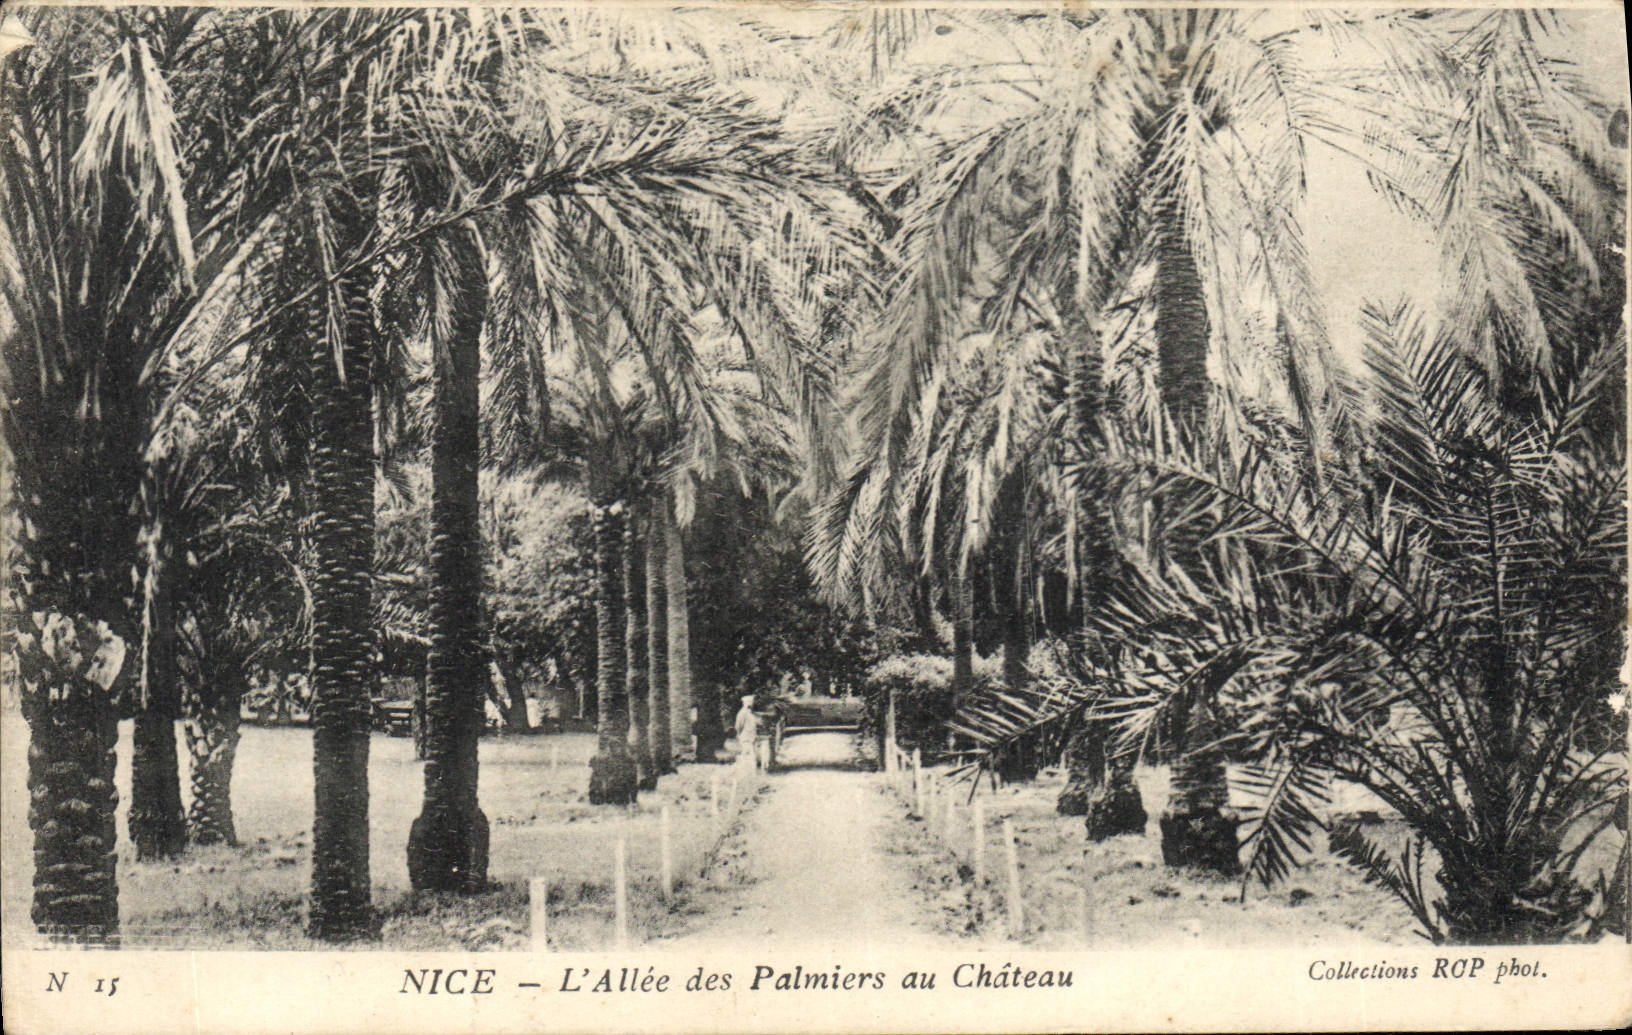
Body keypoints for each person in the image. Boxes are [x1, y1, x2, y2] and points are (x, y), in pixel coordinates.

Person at [734, 694, 760, 772]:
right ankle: (743, 770)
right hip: (745, 737)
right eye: (748, 702)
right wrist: (739, 734)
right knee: (748, 754)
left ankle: (748, 770)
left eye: (751, 702)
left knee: (751, 754)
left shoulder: (750, 712)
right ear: (744, 703)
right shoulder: (742, 713)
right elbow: (738, 726)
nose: (750, 704)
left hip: (752, 737)